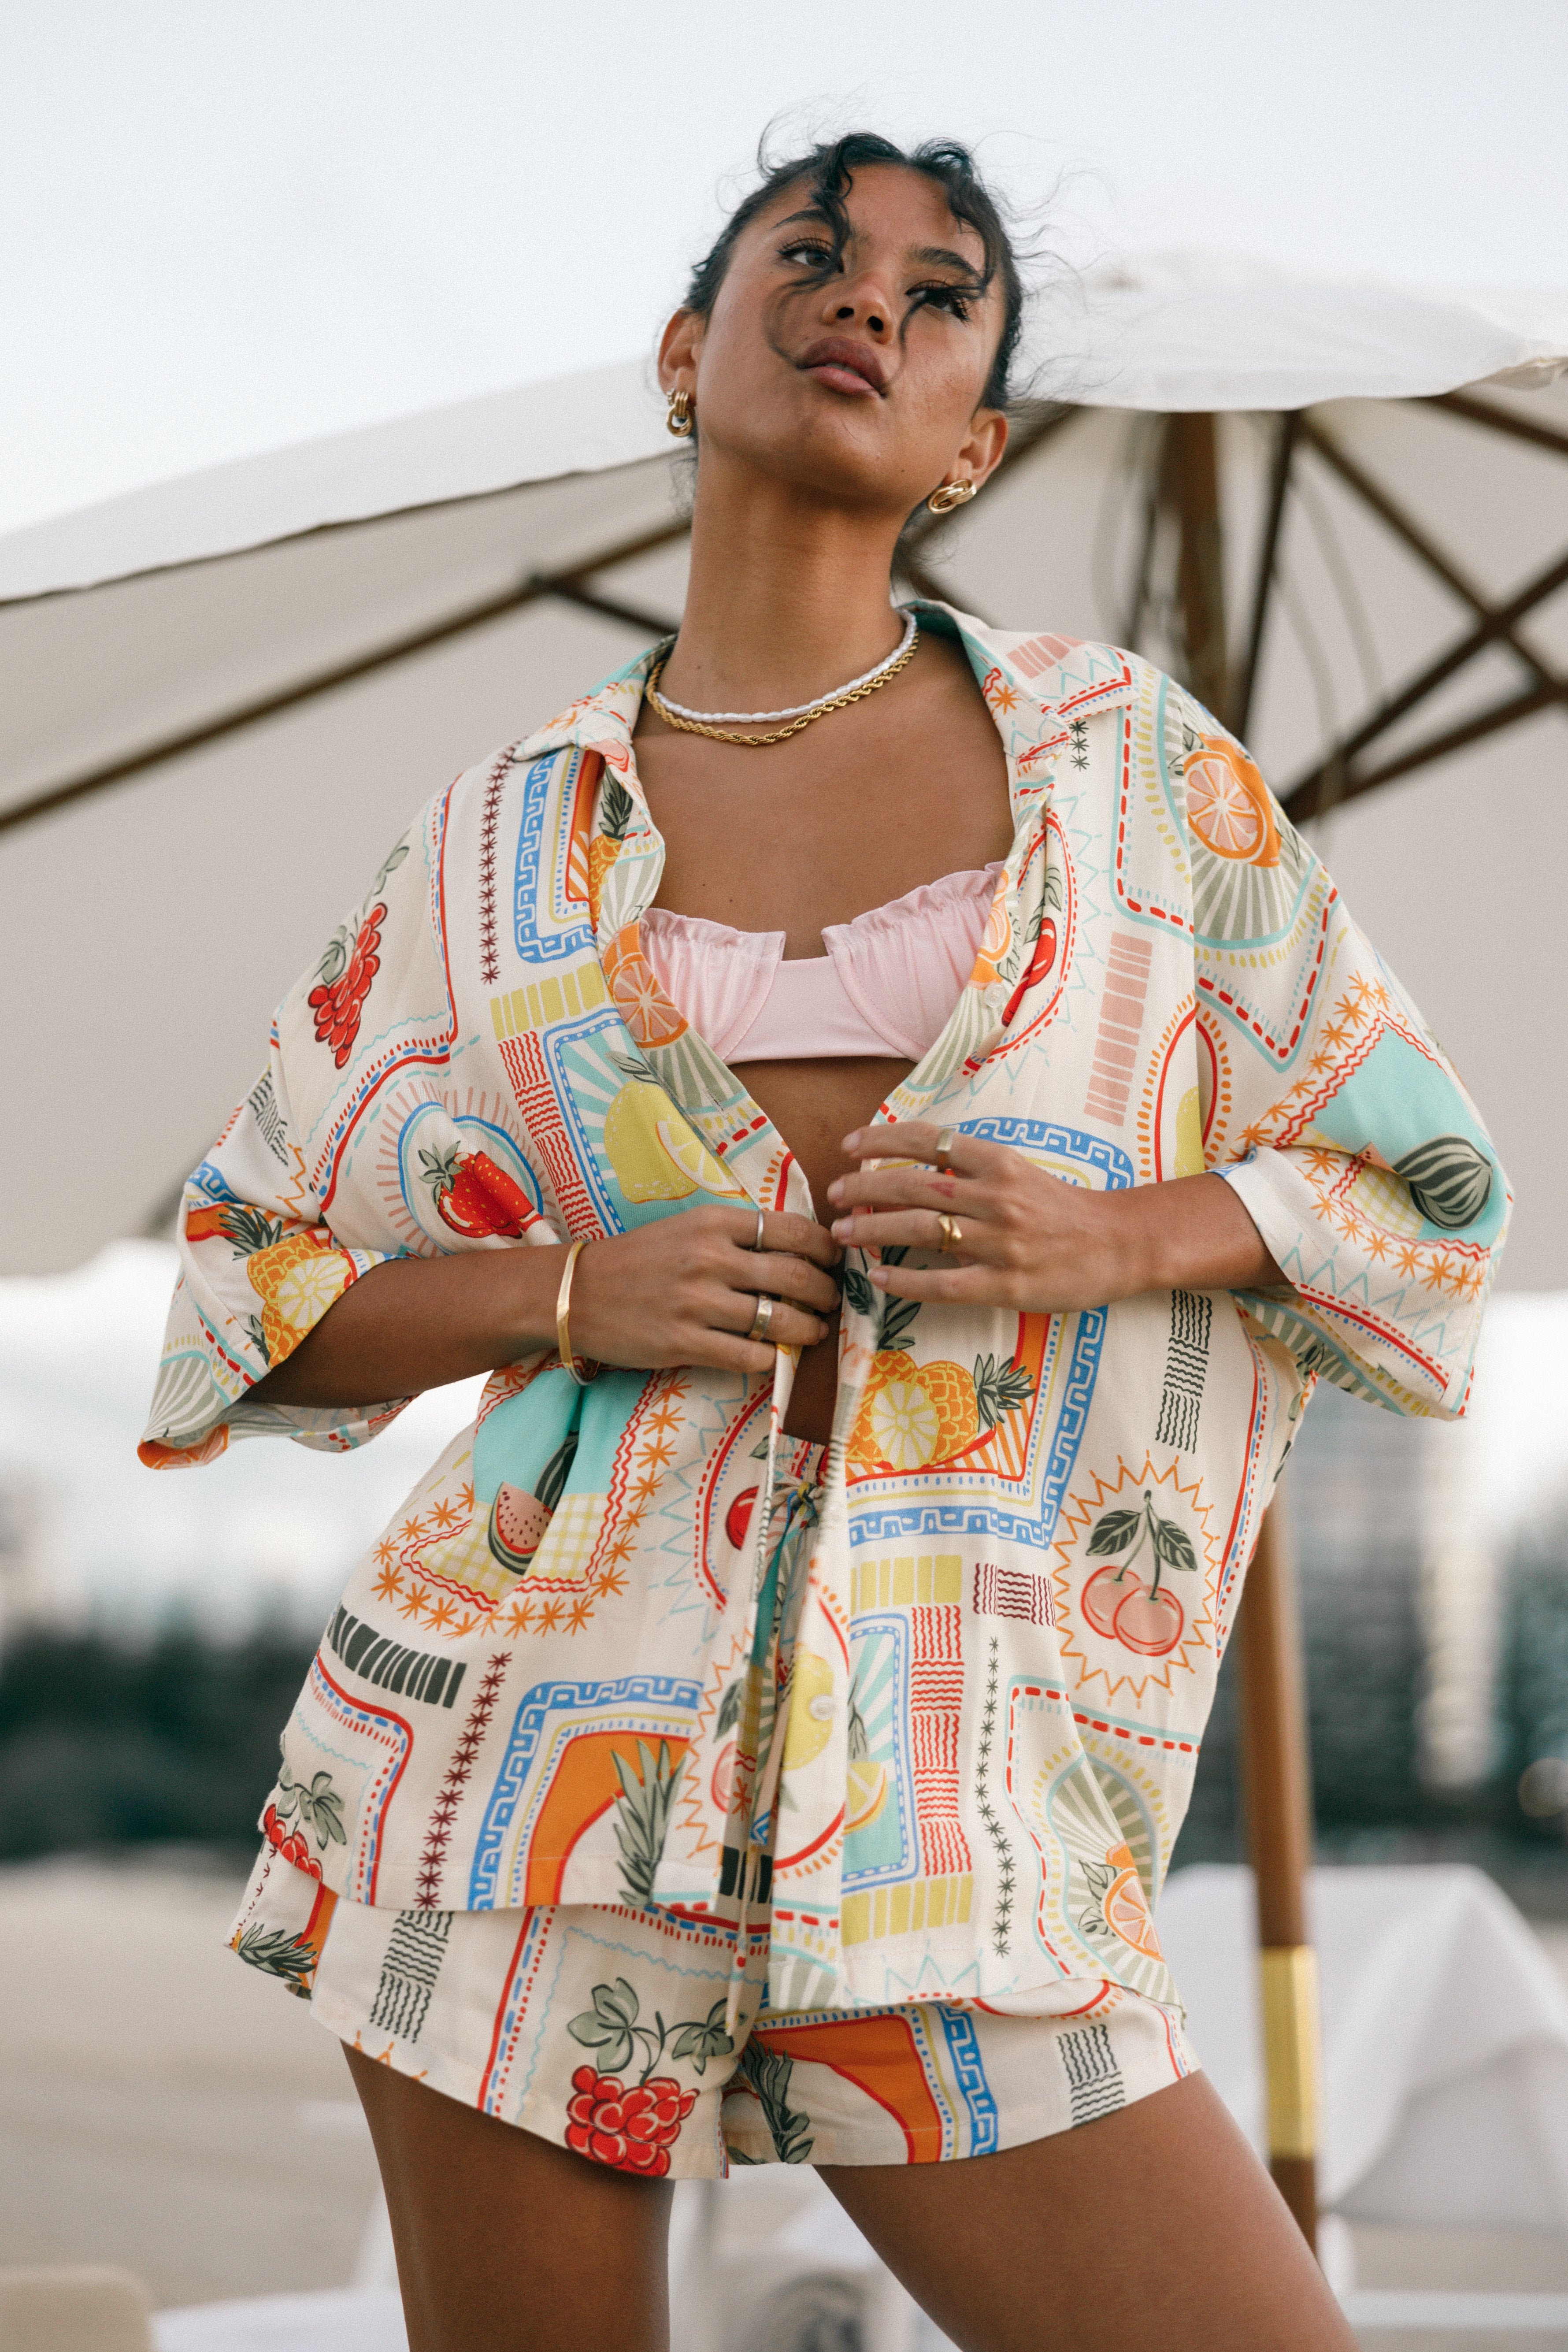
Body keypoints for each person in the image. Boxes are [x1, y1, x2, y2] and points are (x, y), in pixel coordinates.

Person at [141, 133, 1507, 2352]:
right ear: (687, 352)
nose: (866, 296)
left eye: (940, 291)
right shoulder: (495, 842)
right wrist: (568, 1292)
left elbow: (1420, 1191)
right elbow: (246, 1289)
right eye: (811, 251)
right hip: (511, 1780)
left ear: (975, 442)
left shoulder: (1131, 773)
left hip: (966, 1793)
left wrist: (1115, 1234)